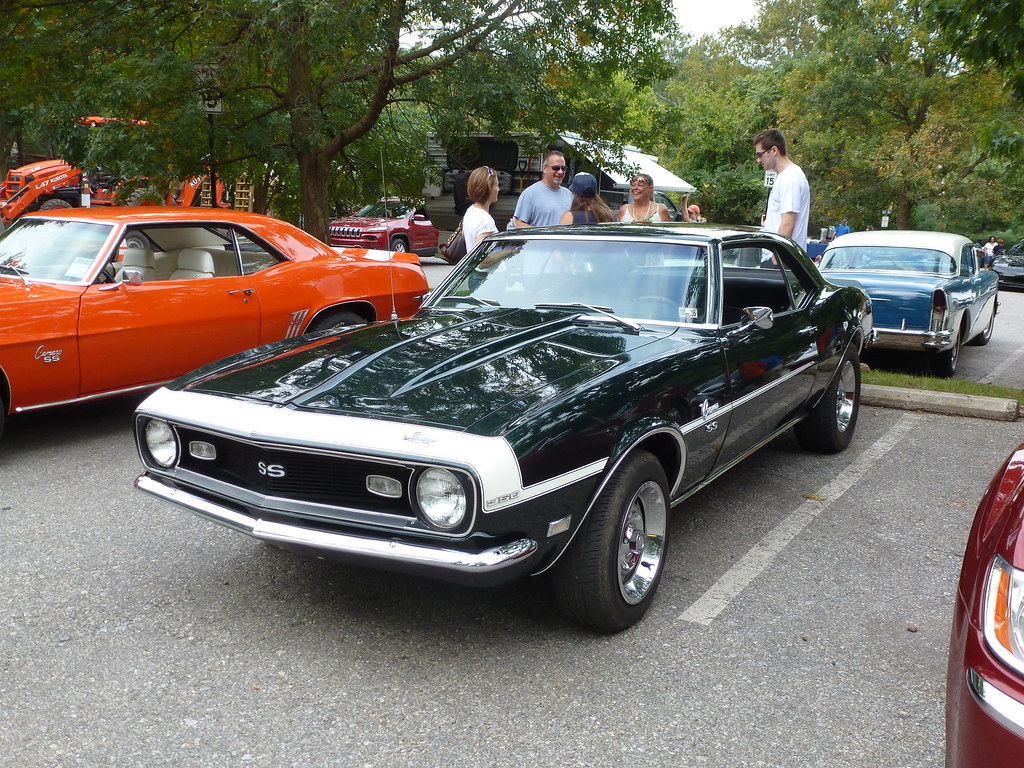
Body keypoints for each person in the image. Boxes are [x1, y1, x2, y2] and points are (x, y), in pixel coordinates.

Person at [754, 128, 810, 251]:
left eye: (760, 155)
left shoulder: (790, 178)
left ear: (774, 150)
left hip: (782, 260)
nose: (758, 160)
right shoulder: (784, 176)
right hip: (778, 257)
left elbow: (788, 223)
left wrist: (776, 258)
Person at [512, 150, 573, 228]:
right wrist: (544, 233)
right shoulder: (530, 194)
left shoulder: (569, 194)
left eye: (563, 168)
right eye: (556, 168)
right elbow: (517, 224)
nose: (560, 172)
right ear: (544, 168)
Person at [618, 173, 684, 222]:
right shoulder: (624, 209)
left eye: (640, 185)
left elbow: (667, 234)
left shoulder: (660, 209)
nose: (635, 188)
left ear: (650, 188)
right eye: (633, 185)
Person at [462, 166, 499, 249]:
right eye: (497, 185)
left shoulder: (470, 211)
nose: (498, 189)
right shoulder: (485, 221)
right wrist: (507, 252)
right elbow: (484, 258)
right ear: (488, 188)